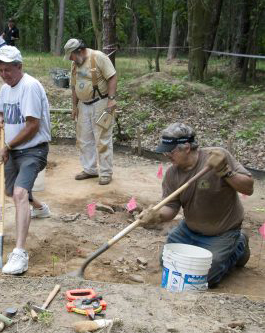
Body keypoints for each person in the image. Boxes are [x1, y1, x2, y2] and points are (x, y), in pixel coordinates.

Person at [136, 123, 253, 288]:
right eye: (165, 150)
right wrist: (156, 215)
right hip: (189, 230)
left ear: (187, 147)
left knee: (204, 278)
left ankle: (239, 245)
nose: (166, 154)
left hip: (222, 231)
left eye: (171, 150)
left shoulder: (216, 158)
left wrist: (226, 172)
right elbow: (171, 207)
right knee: (167, 262)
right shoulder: (172, 174)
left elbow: (248, 188)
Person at [0, 46, 52, 275]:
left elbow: (33, 126)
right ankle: (40, 208)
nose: (4, 74)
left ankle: (19, 254)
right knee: (13, 192)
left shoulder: (30, 87)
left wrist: (8, 145)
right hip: (14, 149)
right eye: (0, 70)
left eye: (8, 69)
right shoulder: (6, 89)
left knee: (18, 194)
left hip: (33, 149)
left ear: (20, 67)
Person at [64, 38, 117, 185]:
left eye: (71, 55)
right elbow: (74, 86)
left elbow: (112, 76)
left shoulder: (98, 57)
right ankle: (90, 169)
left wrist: (111, 99)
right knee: (84, 138)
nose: (70, 58)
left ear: (79, 51)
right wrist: (74, 106)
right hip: (83, 105)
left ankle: (106, 172)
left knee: (103, 138)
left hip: (101, 102)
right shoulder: (74, 64)